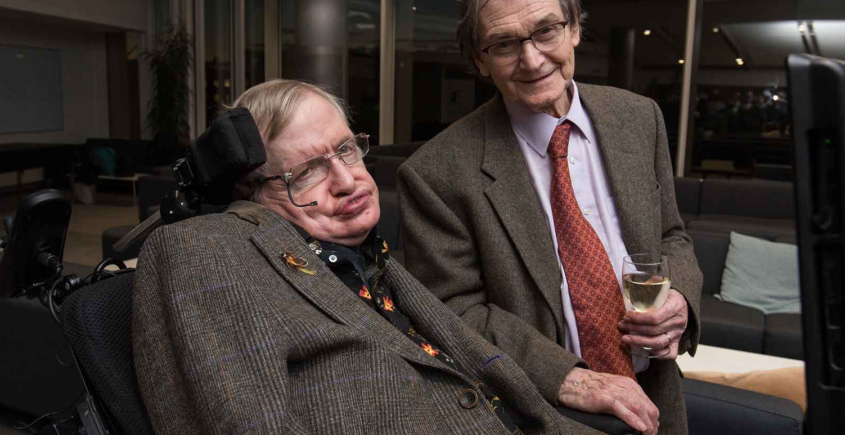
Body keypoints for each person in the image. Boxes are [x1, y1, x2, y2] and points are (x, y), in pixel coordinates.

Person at [131, 80, 602, 434]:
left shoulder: (367, 258)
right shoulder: (207, 248)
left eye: (346, 150)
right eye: (307, 172)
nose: (347, 180)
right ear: (248, 190)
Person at [397, 0, 703, 435]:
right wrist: (570, 379)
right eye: (504, 44)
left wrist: (680, 300)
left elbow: (672, 236)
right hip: (538, 412)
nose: (533, 59)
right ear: (479, 59)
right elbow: (449, 312)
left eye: (546, 31)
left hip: (658, 395)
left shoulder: (639, 118)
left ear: (574, 28)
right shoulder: (436, 173)